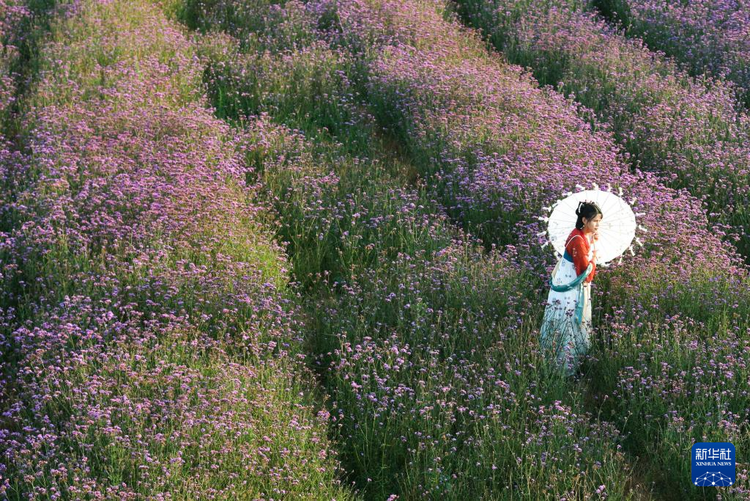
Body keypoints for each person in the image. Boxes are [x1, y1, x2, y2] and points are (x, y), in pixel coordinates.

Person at [540, 200, 602, 375]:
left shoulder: (579, 235)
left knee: (563, 320)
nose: (598, 225)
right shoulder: (578, 241)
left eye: (599, 221)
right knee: (569, 321)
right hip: (571, 289)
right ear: (584, 220)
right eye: (595, 221)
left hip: (565, 284)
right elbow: (585, 274)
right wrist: (595, 257)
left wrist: (592, 240)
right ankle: (566, 368)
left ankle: (564, 362)